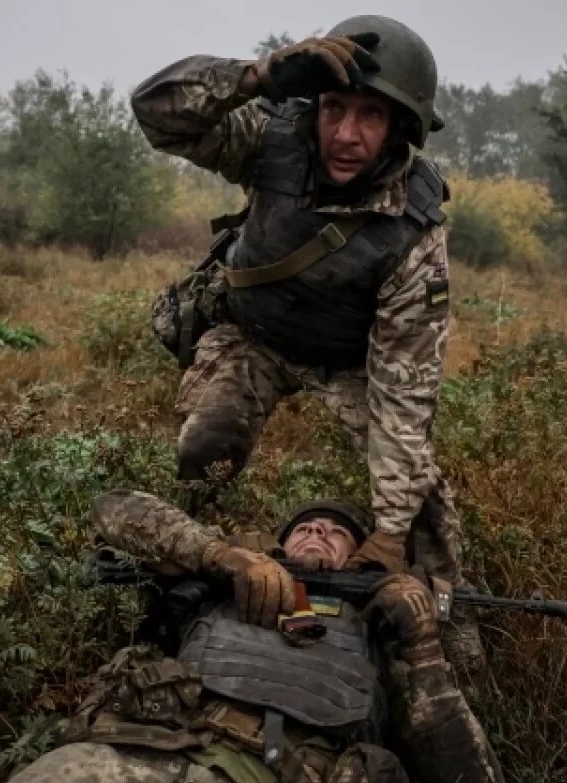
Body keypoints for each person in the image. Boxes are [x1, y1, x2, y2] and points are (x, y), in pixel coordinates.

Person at [131, 17, 464, 587]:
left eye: (371, 115)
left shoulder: (414, 234)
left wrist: (387, 535)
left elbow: (403, 392)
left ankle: (448, 636)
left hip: (347, 361)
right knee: (204, 450)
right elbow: (158, 116)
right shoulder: (272, 141)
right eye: (333, 108)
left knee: (424, 515)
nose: (345, 135)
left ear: (401, 127)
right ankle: (174, 581)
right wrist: (257, 76)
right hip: (254, 335)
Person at [0, 490, 505, 783]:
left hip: (273, 781)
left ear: (357, 559)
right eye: (306, 527)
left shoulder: (379, 627)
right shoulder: (227, 577)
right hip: (129, 752)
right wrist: (217, 555)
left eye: (336, 533)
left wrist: (422, 648)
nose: (318, 532)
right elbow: (111, 509)